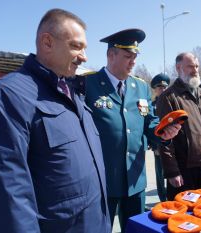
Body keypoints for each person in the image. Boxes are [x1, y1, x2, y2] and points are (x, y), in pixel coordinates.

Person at [0, 9, 110, 233]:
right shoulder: (6, 97)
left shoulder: (73, 94)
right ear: (47, 42)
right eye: (76, 46)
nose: (85, 56)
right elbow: (9, 198)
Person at [84, 28, 180, 233]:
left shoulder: (141, 87)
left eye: (135, 56)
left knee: (136, 229)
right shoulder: (88, 84)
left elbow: (150, 123)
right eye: (128, 56)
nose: (133, 61)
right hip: (102, 181)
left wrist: (163, 133)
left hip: (134, 180)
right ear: (111, 55)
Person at [156, 52, 201, 201]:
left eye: (197, 66)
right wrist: (172, 171)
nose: (195, 70)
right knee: (185, 219)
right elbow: (165, 138)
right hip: (184, 172)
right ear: (178, 68)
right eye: (190, 67)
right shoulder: (168, 97)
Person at [149, 73, 170, 202]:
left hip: (174, 144)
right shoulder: (151, 106)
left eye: (164, 87)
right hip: (159, 146)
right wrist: (154, 146)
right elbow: (150, 126)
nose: (163, 90)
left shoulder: (172, 102)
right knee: (160, 174)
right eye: (160, 87)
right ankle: (163, 199)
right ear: (155, 89)